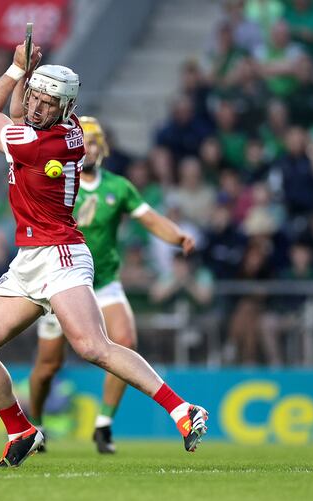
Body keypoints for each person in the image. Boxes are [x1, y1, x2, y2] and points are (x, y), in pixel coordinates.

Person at [0, 40, 208, 468]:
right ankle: (21, 431)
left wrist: (15, 70)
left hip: (60, 254)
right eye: (36, 97)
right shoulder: (63, 127)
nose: (38, 107)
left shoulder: (39, 144)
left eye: (47, 102)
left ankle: (183, 410)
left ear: (65, 107)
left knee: (93, 346)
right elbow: (18, 115)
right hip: (29, 259)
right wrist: (28, 78)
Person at [30, 117, 197, 454]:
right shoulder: (59, 180)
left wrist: (177, 236)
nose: (89, 148)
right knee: (48, 366)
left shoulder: (118, 187)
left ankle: (103, 424)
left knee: (125, 341)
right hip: (61, 281)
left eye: (94, 142)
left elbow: (149, 218)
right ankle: (34, 423)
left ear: (103, 148)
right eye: (84, 142)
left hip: (103, 280)